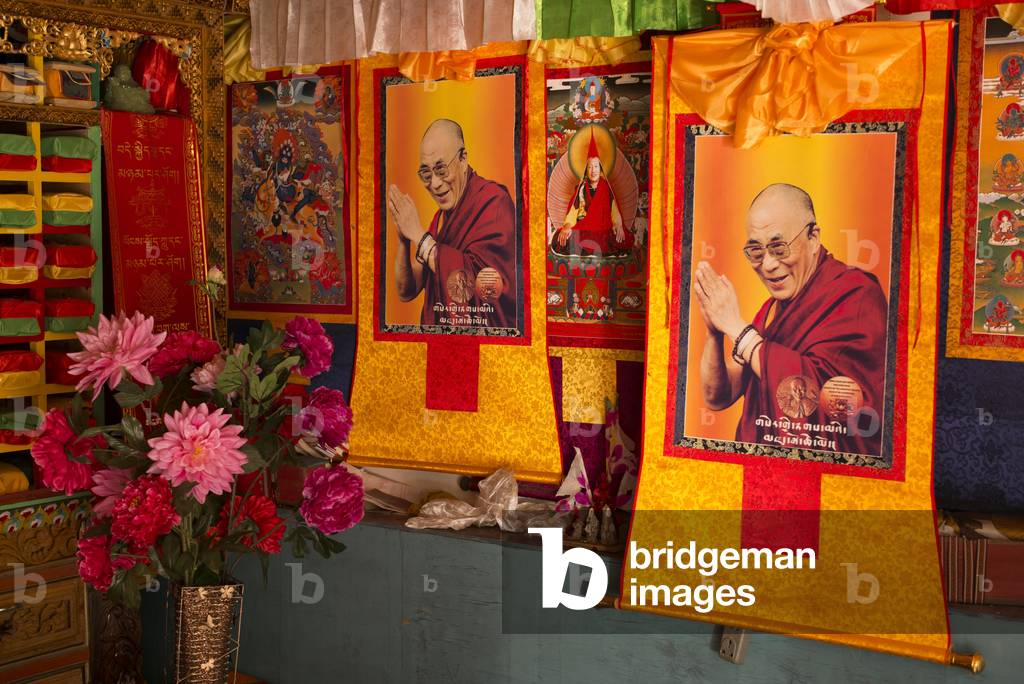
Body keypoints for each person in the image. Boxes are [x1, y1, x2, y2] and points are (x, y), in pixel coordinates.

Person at [694, 183, 888, 457]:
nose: (768, 264)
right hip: (760, 472)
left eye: (779, 247)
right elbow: (717, 397)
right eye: (756, 252)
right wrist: (715, 332)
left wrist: (738, 329)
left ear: (813, 237)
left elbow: (822, 399)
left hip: (825, 477)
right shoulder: (771, 312)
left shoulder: (855, 294)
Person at [388, 118, 517, 329]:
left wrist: (420, 238)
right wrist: (404, 239)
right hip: (439, 342)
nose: (435, 184)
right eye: (426, 174)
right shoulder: (439, 221)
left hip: (485, 347)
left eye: (441, 169)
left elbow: (480, 287)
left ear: (463, 159)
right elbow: (406, 291)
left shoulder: (493, 202)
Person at [554, 132, 632, 257]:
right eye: (589, 167)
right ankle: (593, 252)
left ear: (600, 168)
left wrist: (618, 225)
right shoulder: (582, 188)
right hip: (585, 228)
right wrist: (567, 226)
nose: (593, 170)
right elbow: (573, 213)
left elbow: (614, 211)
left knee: (622, 239)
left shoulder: (606, 188)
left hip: (603, 229)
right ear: (586, 170)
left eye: (596, 166)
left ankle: (586, 251)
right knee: (560, 237)